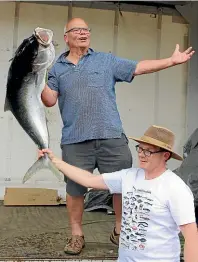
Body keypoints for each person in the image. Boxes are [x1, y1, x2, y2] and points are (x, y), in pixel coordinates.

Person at [41, 17, 195, 254]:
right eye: (77, 30)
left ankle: (120, 230)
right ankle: (76, 235)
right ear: (66, 37)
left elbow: (139, 67)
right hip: (75, 139)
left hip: (111, 137)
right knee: (75, 189)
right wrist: (36, 75)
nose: (83, 33)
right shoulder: (57, 68)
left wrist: (172, 61)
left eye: (86, 29)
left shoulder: (105, 61)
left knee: (123, 186)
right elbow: (49, 100)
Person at [39, 125, 198, 262]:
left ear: (165, 155)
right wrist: (55, 161)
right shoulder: (128, 176)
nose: (141, 154)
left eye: (148, 151)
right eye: (140, 148)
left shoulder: (175, 188)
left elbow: (191, 237)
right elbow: (88, 180)